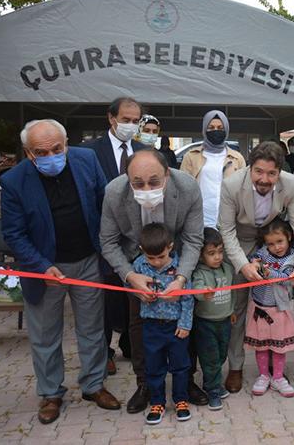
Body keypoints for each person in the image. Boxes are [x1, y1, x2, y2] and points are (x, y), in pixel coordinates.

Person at [1, 119, 120, 425]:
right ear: (28, 152)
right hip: (45, 268)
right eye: (41, 152)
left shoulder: (86, 159)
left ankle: (93, 385)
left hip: (88, 261)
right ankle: (51, 393)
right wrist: (42, 266)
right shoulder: (14, 181)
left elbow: (104, 205)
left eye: (57, 149)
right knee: (45, 335)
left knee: (92, 329)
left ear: (66, 144)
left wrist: (107, 250)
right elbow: (14, 234)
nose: (51, 156)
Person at [99, 149, 206, 413]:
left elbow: (193, 239)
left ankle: (186, 381)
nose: (146, 189)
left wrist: (181, 278)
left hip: (176, 259)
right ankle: (145, 383)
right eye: (138, 183)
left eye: (154, 182)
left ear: (167, 174)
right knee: (138, 324)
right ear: (127, 179)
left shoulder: (188, 188)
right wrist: (130, 276)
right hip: (136, 263)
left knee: (185, 321)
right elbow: (108, 242)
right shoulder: (114, 192)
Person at [218, 141, 294, 393]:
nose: (264, 179)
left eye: (271, 173)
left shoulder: (290, 183)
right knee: (238, 308)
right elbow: (226, 229)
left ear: (280, 171)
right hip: (239, 241)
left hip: (272, 244)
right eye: (258, 171)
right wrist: (242, 265)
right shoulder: (231, 185)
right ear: (250, 168)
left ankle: (274, 364)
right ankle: (236, 366)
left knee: (277, 305)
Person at [82, 97, 146, 375]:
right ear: (111, 118)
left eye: (135, 121)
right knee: (106, 297)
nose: (130, 125)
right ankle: (105, 351)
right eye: (125, 120)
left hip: (136, 237)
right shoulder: (89, 152)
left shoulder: (144, 151)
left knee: (133, 293)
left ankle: (130, 344)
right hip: (103, 235)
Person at [128, 223, 193, 425]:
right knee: (154, 367)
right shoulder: (139, 266)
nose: (156, 262)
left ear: (170, 247)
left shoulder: (181, 268)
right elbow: (129, 287)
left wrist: (185, 324)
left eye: (161, 256)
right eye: (151, 257)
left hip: (176, 328)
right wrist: (141, 294)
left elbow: (188, 298)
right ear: (142, 250)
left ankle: (181, 400)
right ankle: (157, 402)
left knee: (180, 366)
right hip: (151, 327)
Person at [245, 218, 294, 397]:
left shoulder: (293, 258)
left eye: (280, 241)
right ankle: (263, 375)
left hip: (279, 309)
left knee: (278, 346)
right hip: (259, 307)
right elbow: (253, 259)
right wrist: (254, 262)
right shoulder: (263, 253)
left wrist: (269, 273)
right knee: (261, 345)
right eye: (271, 243)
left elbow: (286, 279)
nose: (276, 247)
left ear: (289, 237)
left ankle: (278, 377)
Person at [191, 228, 236, 410]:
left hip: (224, 321)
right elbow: (196, 289)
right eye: (211, 253)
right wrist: (203, 293)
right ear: (201, 256)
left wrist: (232, 311)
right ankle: (213, 391)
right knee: (210, 358)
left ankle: (211, 382)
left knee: (221, 355)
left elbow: (232, 292)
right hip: (205, 323)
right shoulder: (199, 273)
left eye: (220, 252)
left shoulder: (227, 269)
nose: (217, 257)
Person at [180, 110, 246, 228]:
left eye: (220, 128)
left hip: (228, 220)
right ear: (204, 130)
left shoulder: (237, 158)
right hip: (199, 220)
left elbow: (243, 191)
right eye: (211, 127)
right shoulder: (191, 156)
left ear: (226, 130)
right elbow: (182, 189)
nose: (216, 131)